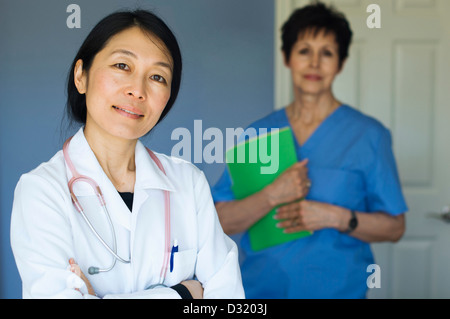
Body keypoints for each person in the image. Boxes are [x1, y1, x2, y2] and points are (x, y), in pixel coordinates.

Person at [10, 9, 244, 299]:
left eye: (157, 77)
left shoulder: (189, 183)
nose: (137, 90)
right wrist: (183, 294)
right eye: (122, 66)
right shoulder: (42, 190)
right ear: (81, 76)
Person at [212, 1, 407, 299]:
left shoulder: (369, 135)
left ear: (340, 63)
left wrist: (335, 217)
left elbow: (394, 228)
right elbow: (220, 220)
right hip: (260, 292)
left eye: (327, 53)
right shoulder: (259, 133)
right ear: (287, 58)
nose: (314, 63)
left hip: (341, 291)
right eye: (304, 51)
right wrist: (272, 195)